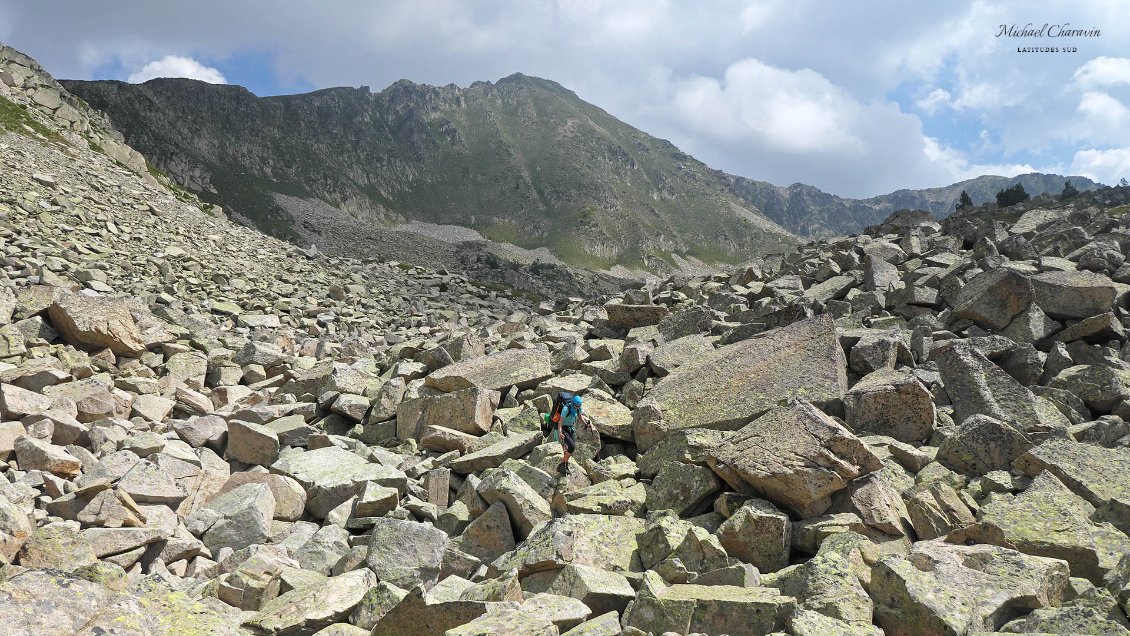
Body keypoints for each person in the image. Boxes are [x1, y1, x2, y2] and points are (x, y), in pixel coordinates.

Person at [556, 394, 594, 474]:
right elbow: (560, 422)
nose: (578, 407)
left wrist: (586, 424)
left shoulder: (578, 408)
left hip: (570, 429)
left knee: (571, 448)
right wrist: (560, 432)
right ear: (573, 403)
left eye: (579, 406)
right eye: (576, 406)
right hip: (564, 429)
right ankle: (563, 465)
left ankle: (563, 465)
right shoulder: (566, 409)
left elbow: (580, 417)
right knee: (572, 446)